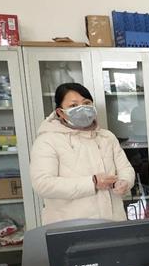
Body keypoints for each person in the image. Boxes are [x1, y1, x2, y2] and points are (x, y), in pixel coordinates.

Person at [30, 83, 135, 224]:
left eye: (86, 103)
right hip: (71, 225)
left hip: (113, 220)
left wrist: (125, 182)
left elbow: (125, 169)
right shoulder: (48, 140)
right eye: (73, 105)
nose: (82, 108)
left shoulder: (107, 137)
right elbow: (43, 184)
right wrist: (92, 182)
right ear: (60, 112)